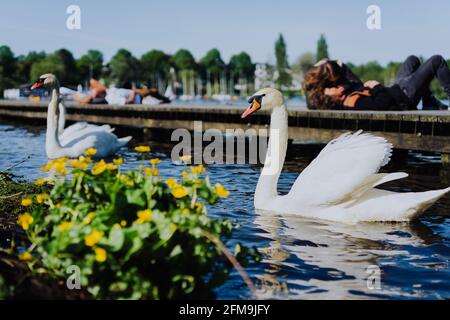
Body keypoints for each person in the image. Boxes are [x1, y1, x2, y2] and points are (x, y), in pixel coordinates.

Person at [303, 55, 450, 111]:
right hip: (404, 96)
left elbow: (357, 84)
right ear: (332, 98)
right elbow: (382, 104)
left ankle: (429, 101)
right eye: (333, 87)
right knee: (436, 61)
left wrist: (341, 66)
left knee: (412, 60)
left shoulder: (344, 92)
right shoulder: (352, 101)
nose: (338, 86)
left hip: (396, 89)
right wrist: (376, 86)